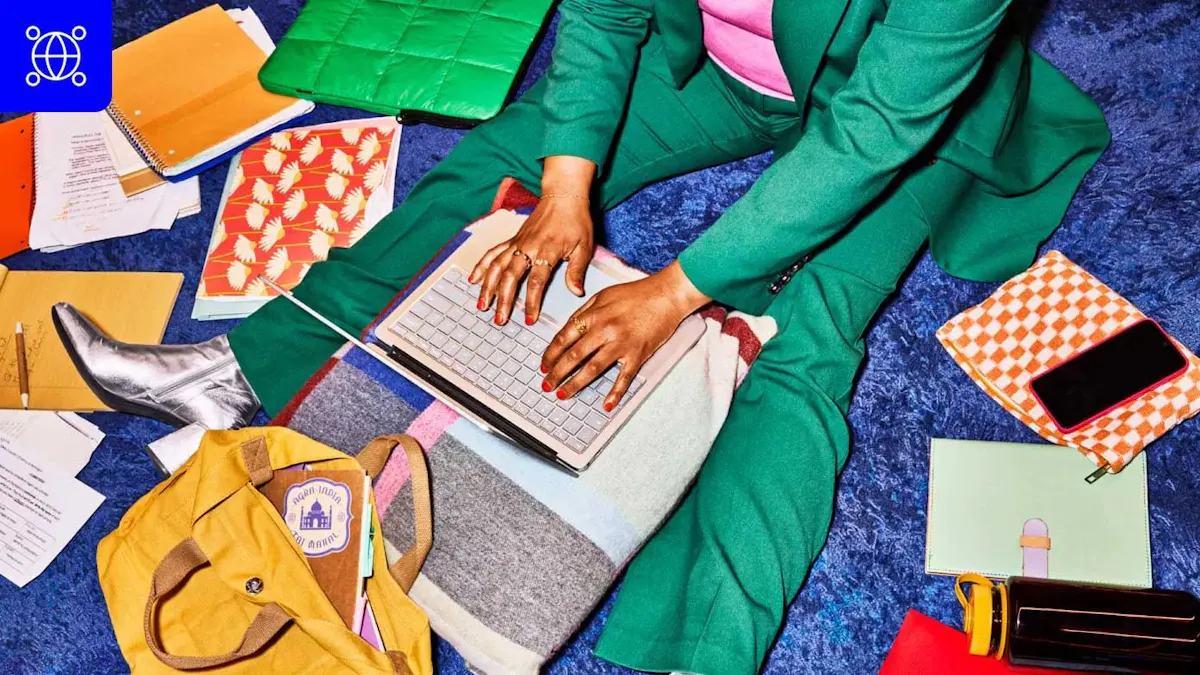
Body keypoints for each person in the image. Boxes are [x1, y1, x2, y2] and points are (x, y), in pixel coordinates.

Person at [55, 0, 1109, 671]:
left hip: (898, 132)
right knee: (501, 161)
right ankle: (240, 371)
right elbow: (606, 18)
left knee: (806, 340)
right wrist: (564, 190)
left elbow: (871, 136)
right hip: (728, 79)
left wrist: (677, 289)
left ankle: (696, 657)